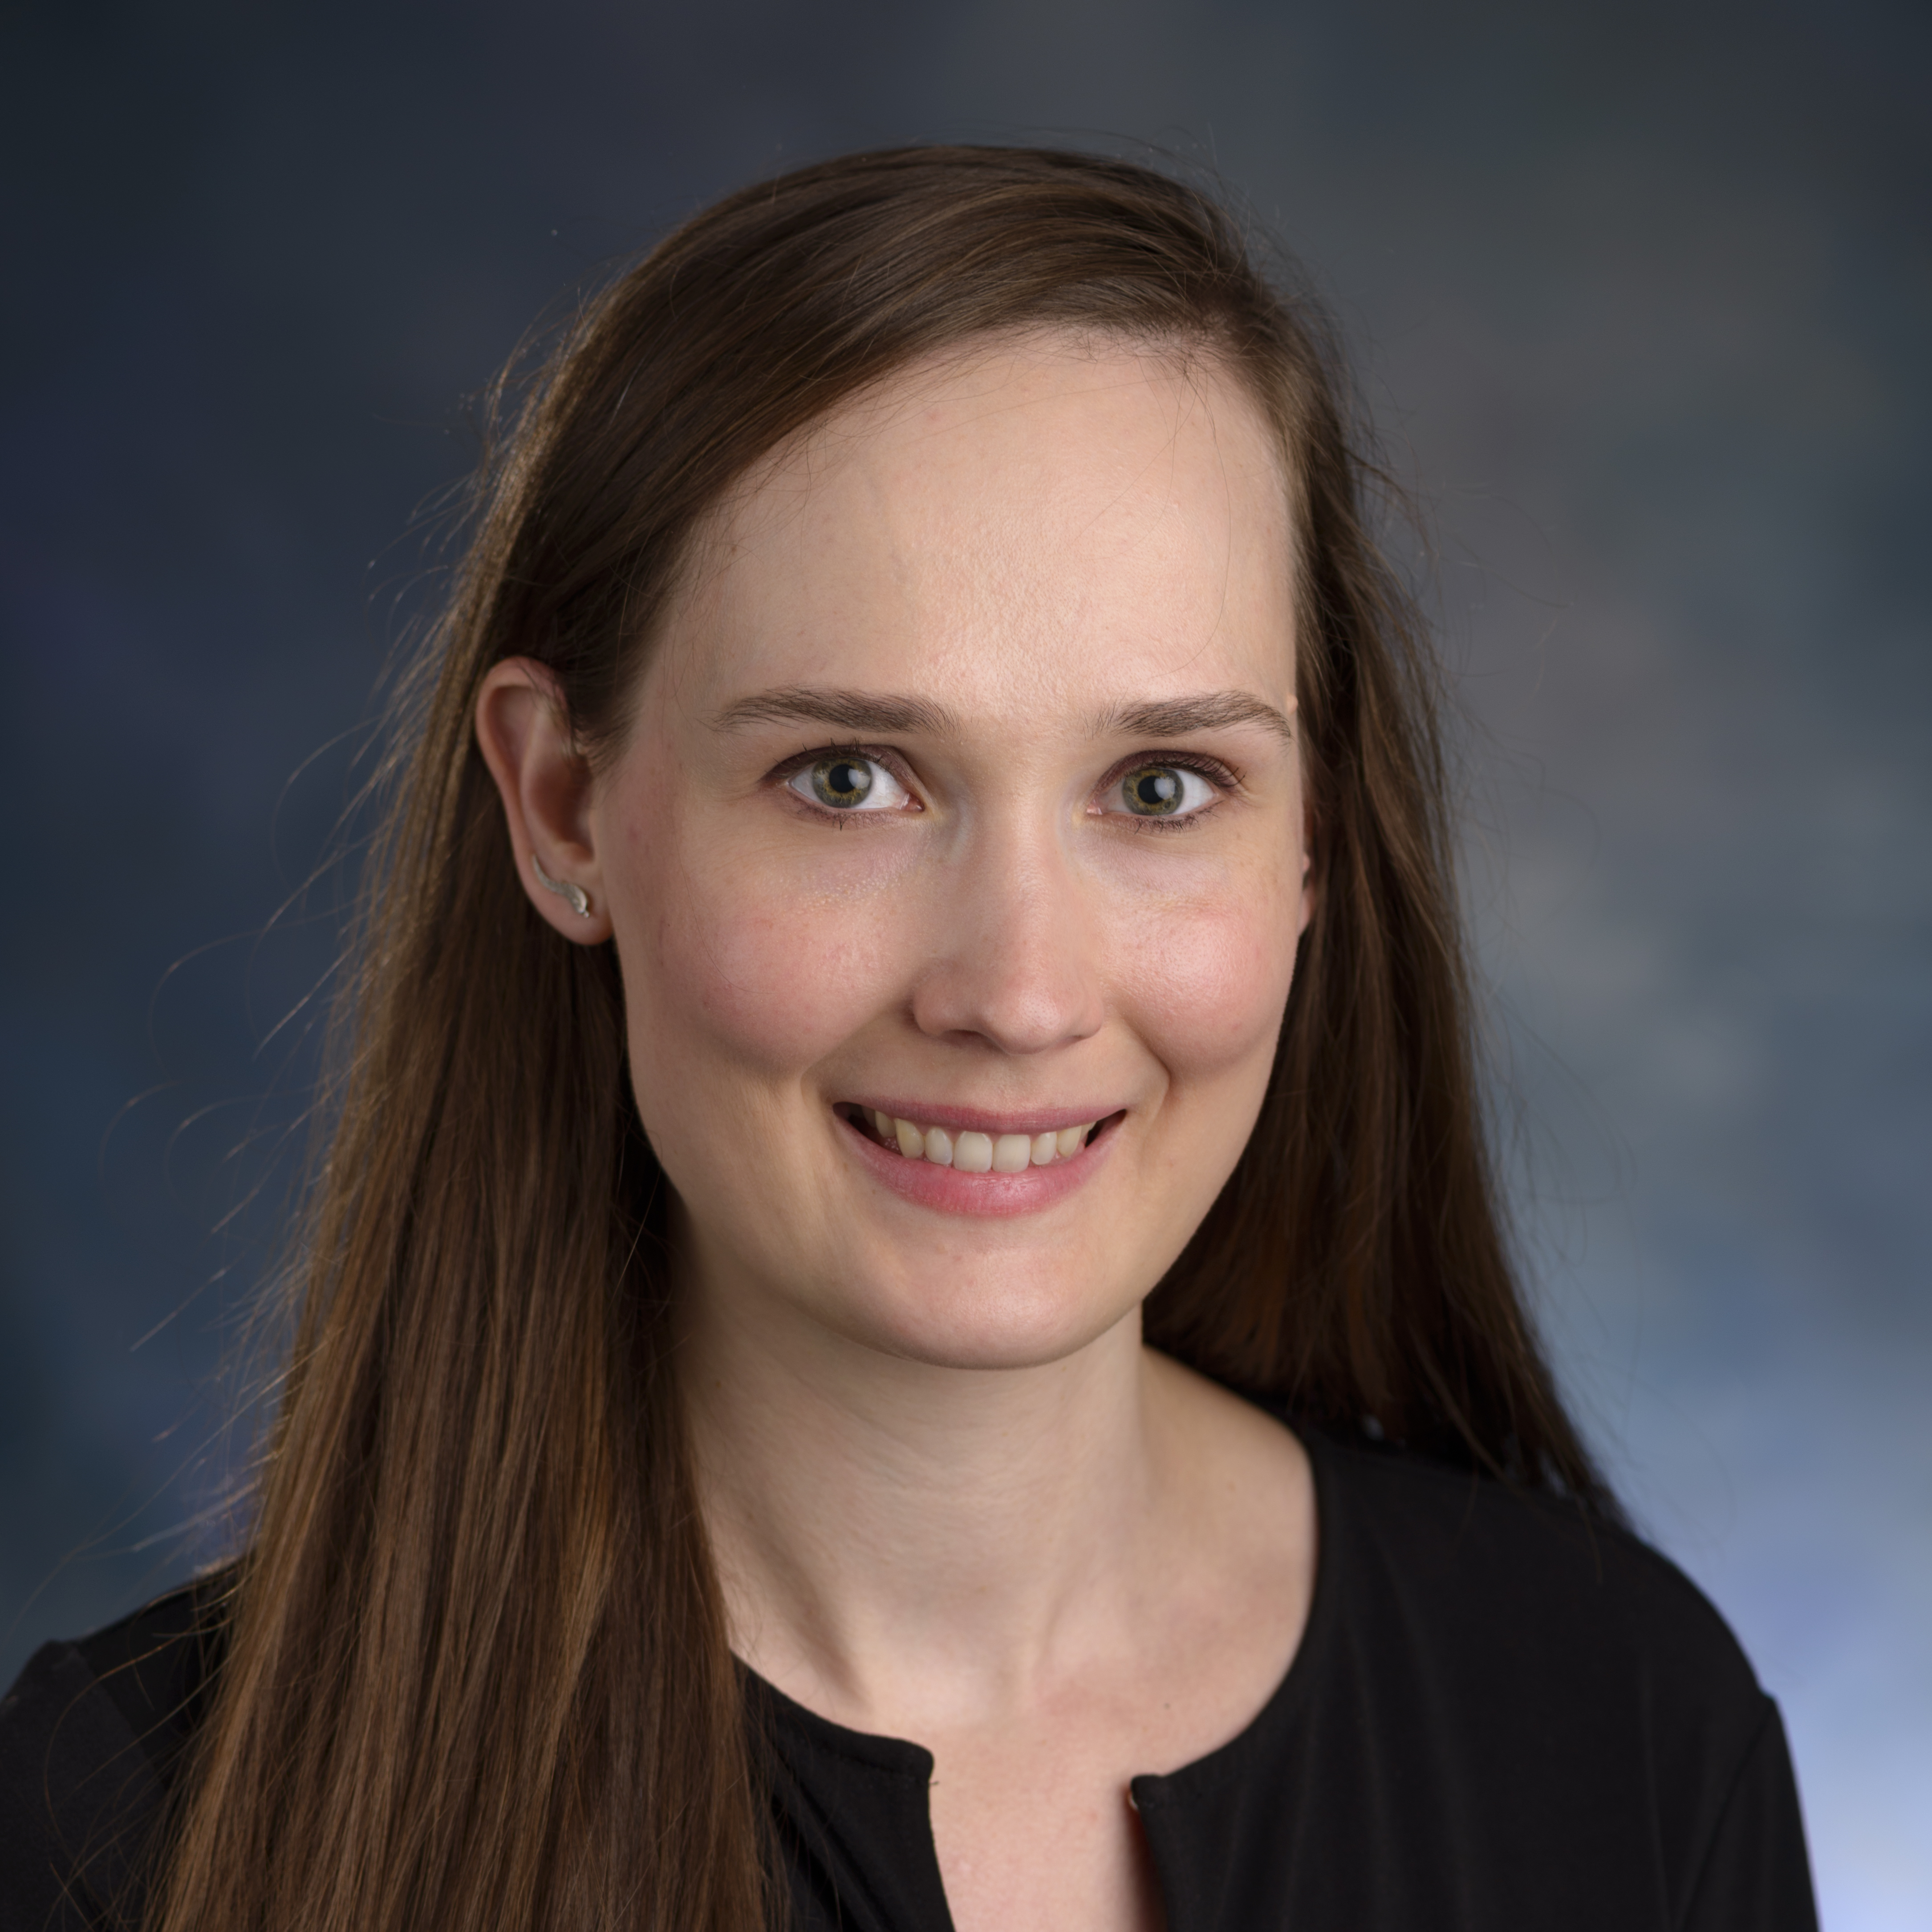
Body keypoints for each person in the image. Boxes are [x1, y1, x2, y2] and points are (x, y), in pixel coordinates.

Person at [0, 146, 1817, 1932]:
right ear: (562, 807)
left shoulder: (1618, 1726)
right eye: (847, 778)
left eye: (1162, 784)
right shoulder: (128, 1826)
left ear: (1314, 842)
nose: (1017, 992)